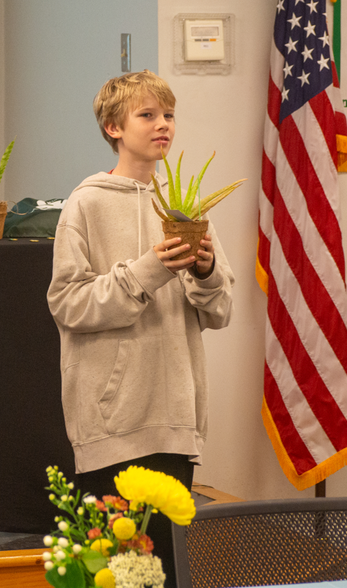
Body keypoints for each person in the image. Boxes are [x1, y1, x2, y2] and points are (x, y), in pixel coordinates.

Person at [46, 70, 234, 583]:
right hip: (113, 425)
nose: (162, 125)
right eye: (147, 115)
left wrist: (204, 271)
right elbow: (68, 304)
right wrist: (150, 270)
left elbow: (220, 310)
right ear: (112, 127)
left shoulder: (187, 206)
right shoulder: (84, 203)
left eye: (168, 115)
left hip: (175, 420)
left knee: (168, 574)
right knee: (118, 574)